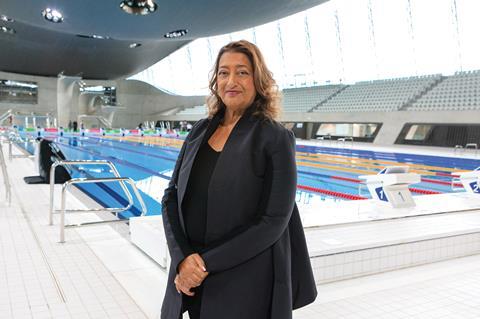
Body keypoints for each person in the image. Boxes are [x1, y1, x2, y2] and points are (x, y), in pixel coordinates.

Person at [161, 40, 317, 319]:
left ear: (258, 80)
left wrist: (202, 265)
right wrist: (183, 259)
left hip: (245, 283)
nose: (231, 81)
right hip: (192, 279)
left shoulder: (275, 138)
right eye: (223, 72)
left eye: (242, 72)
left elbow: (273, 223)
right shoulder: (199, 131)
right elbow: (170, 195)